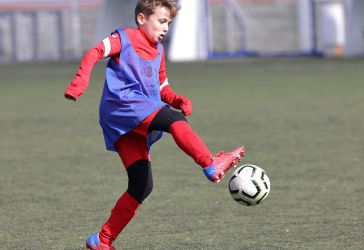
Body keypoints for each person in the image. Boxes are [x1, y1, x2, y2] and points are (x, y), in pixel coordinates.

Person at [65, 0, 245, 249]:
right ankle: (209, 163)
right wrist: (79, 82)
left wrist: (176, 98)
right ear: (141, 19)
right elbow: (94, 52)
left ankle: (102, 240)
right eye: (161, 21)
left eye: (169, 23)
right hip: (123, 106)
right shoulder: (124, 38)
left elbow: (161, 86)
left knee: (142, 185)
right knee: (173, 120)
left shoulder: (158, 51)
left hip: (135, 116)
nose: (166, 28)